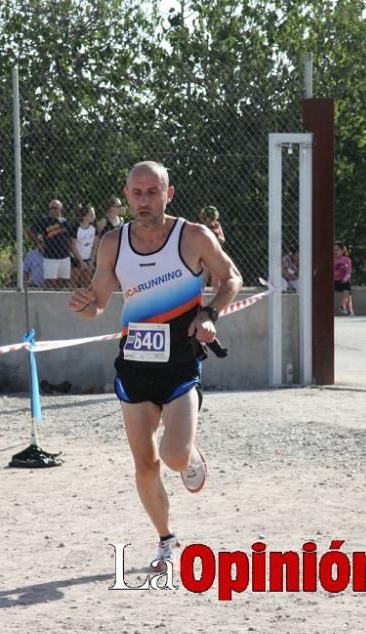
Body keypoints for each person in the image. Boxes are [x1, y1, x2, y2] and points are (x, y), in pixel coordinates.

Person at [68, 161, 243, 572]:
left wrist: (210, 313)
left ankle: (191, 458)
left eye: (153, 192)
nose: (144, 200)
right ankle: (166, 539)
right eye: (137, 192)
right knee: (145, 462)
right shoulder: (113, 243)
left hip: (181, 365)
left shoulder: (193, 237)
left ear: (169, 194)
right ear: (126, 195)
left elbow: (231, 277)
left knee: (174, 455)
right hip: (134, 366)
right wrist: (84, 306)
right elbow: (98, 304)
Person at [30, 199, 79, 290]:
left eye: (55, 208)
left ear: (61, 209)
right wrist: (38, 243)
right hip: (50, 256)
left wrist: (70, 249)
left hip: (64, 256)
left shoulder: (65, 222)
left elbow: (70, 237)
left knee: (63, 281)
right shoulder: (44, 221)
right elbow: (30, 231)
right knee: (49, 282)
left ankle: (58, 299)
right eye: (51, 208)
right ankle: (48, 300)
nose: (53, 210)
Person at [71, 204, 96, 287]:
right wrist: (81, 262)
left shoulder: (93, 228)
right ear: (85, 216)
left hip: (88, 259)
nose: (94, 216)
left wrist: (91, 261)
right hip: (77, 258)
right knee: (75, 281)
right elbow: (73, 246)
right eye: (92, 214)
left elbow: (94, 246)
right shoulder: (76, 228)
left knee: (87, 283)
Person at [92, 196, 124, 261]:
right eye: (118, 206)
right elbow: (96, 240)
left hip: (118, 253)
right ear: (111, 208)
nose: (120, 208)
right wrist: (94, 256)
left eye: (120, 206)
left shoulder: (121, 220)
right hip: (105, 253)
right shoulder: (103, 221)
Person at [334, 241, 354, 316]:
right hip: (333, 282)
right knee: (349, 292)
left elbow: (348, 272)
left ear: (342, 250)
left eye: (337, 250)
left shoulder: (347, 260)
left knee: (348, 285)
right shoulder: (331, 259)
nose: (335, 252)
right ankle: (350, 311)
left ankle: (342, 306)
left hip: (342, 281)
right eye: (334, 250)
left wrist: (345, 278)